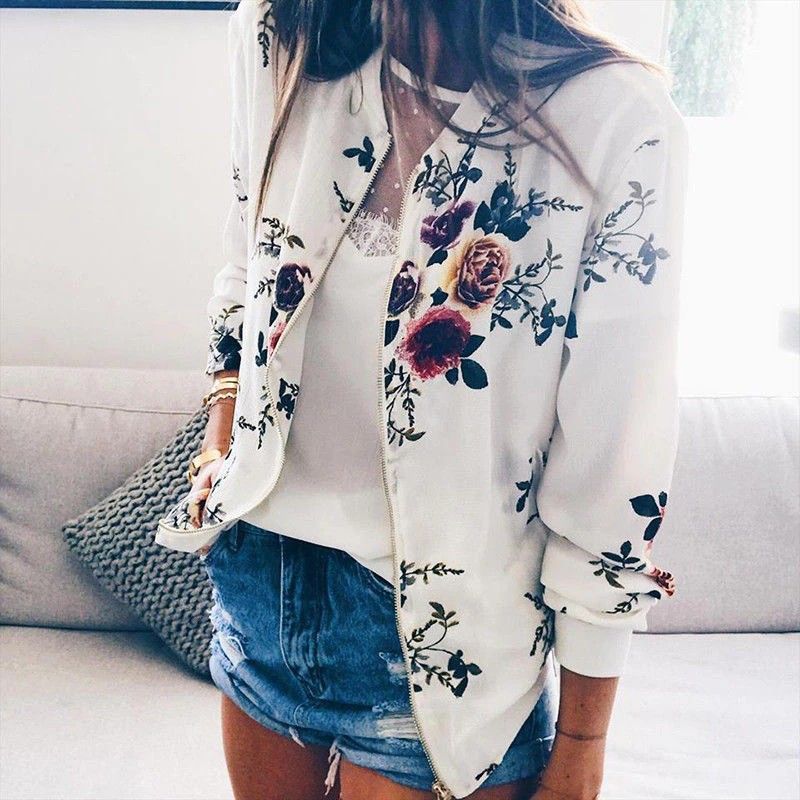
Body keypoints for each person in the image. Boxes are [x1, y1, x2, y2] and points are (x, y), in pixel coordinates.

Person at [155, 0, 688, 797]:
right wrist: (221, 435)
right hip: (259, 582)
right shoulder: (281, 31)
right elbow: (245, 256)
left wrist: (583, 741)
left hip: (449, 646)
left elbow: (616, 458)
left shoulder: (617, 121)